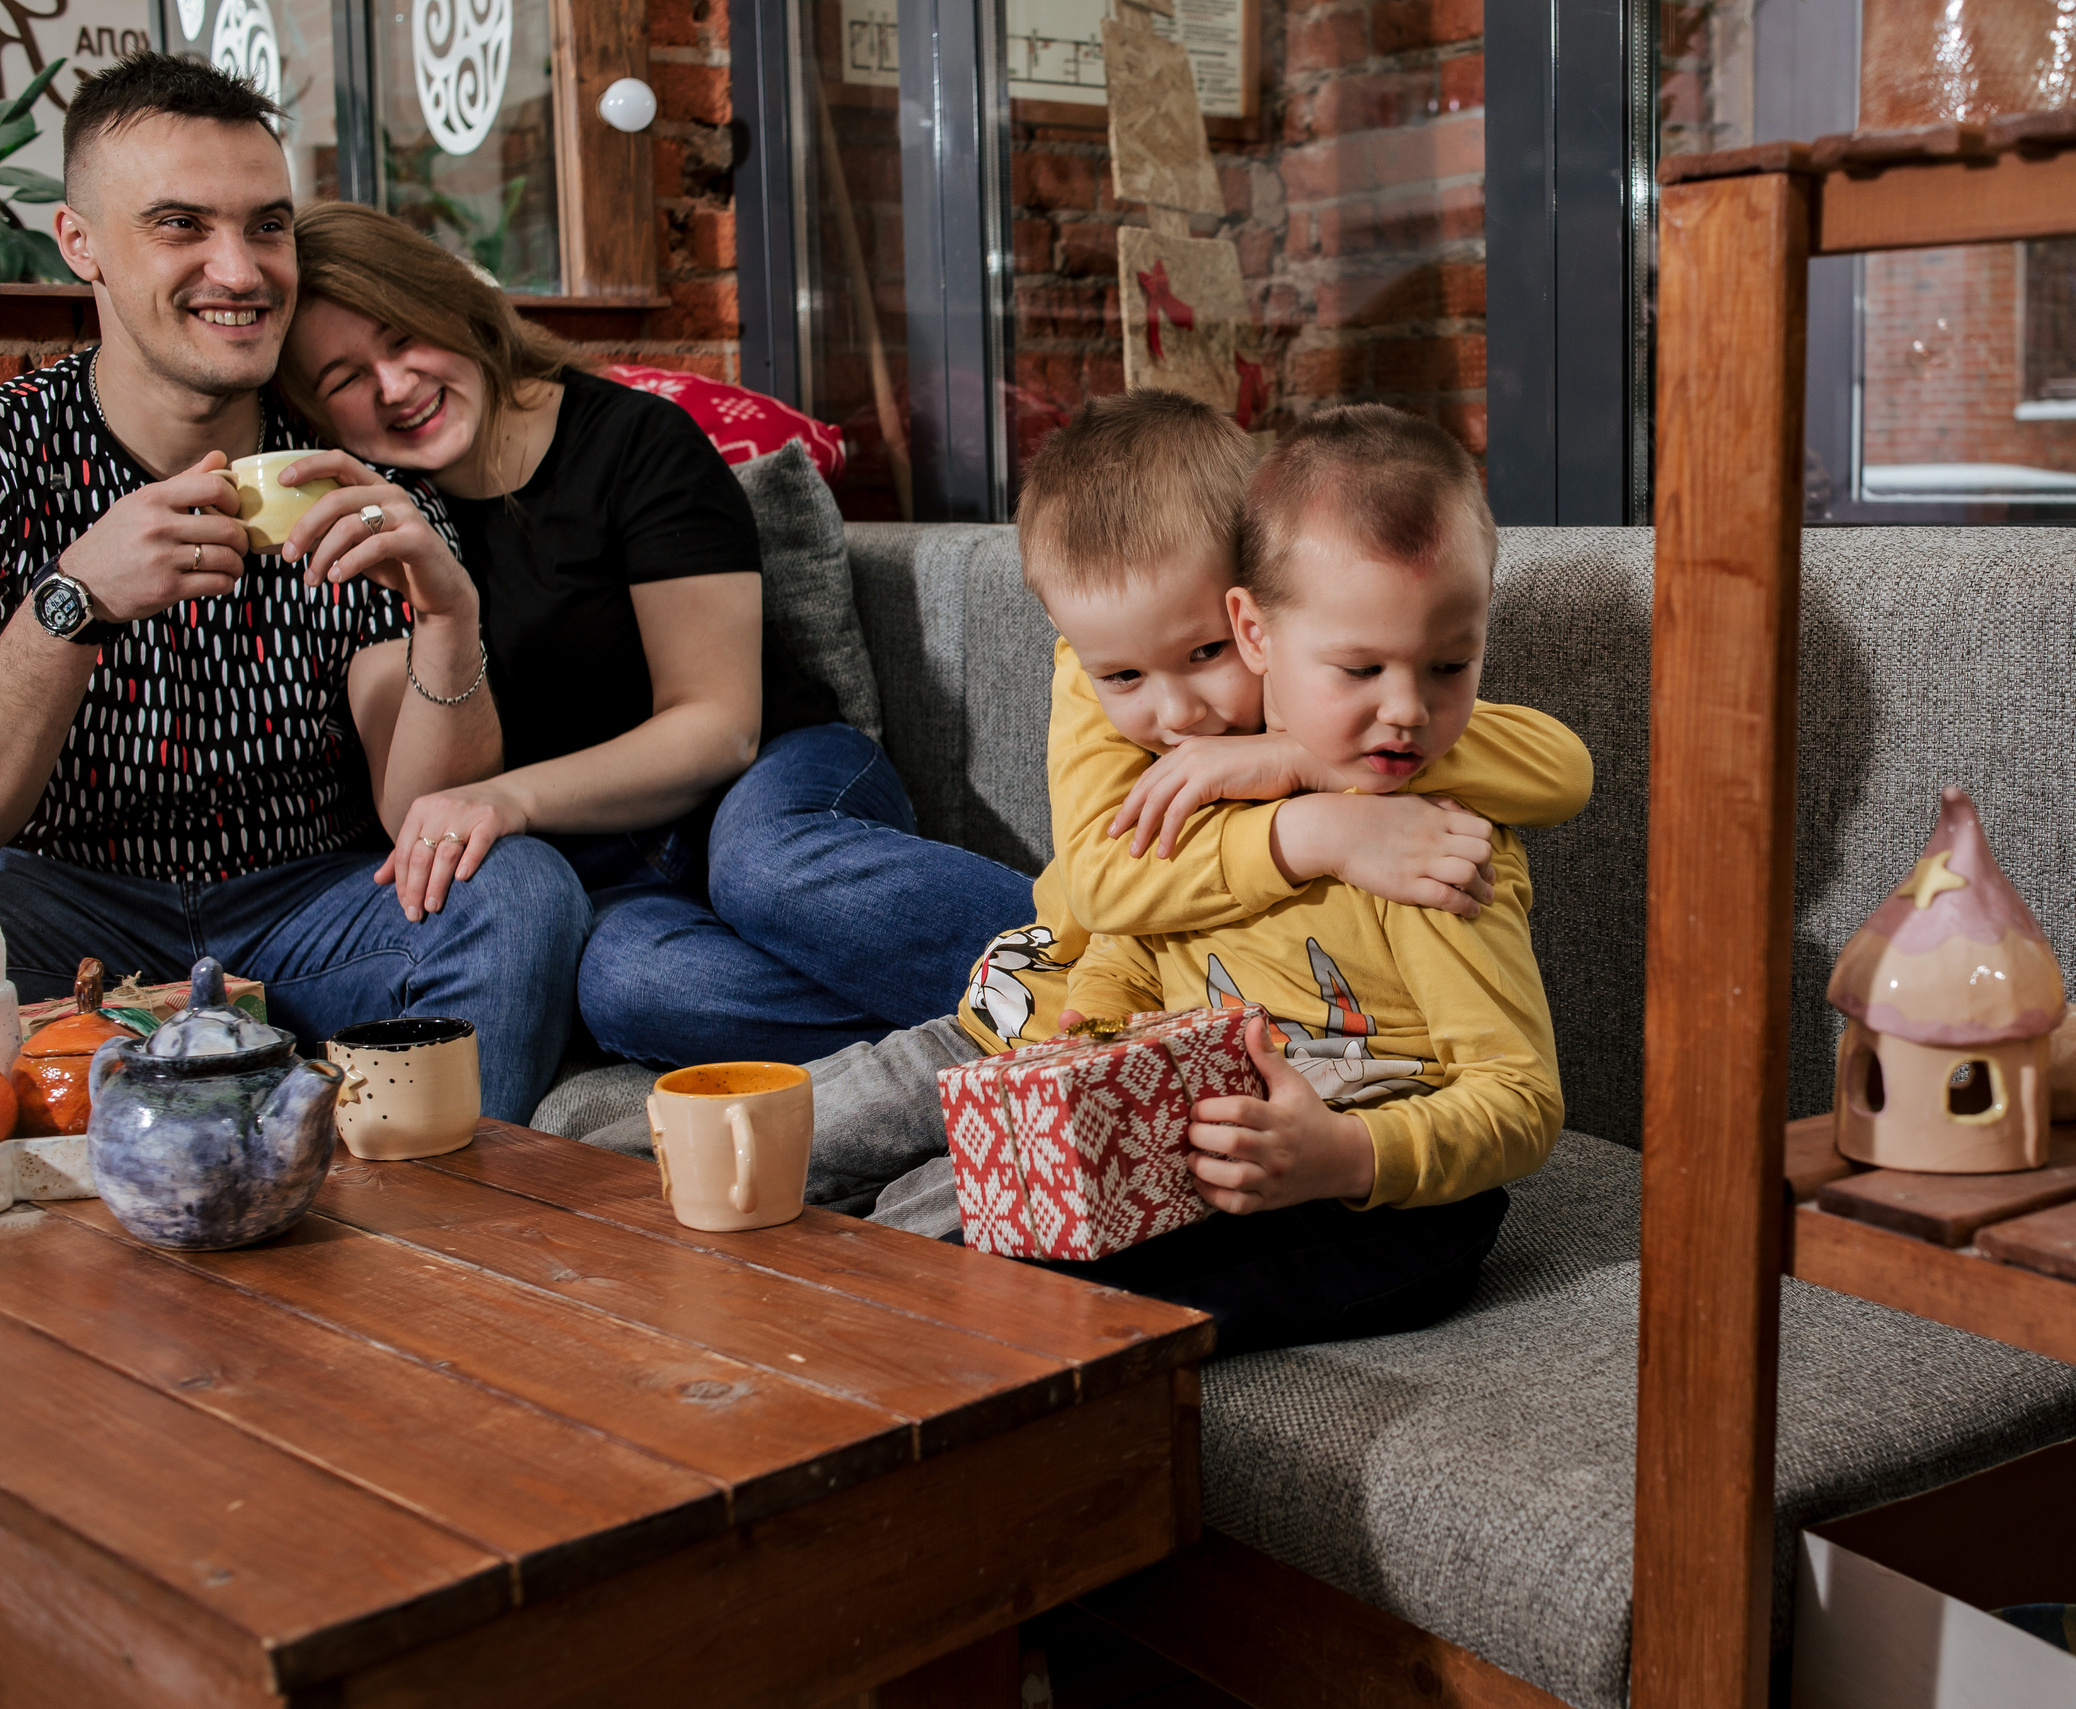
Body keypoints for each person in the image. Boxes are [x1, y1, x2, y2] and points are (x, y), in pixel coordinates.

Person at [596, 393, 1584, 1355]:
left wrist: (1308, 783)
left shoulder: (1422, 834)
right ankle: (575, 1233)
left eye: (1202, 654)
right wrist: (1103, 1020)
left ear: (1250, 624)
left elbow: (1515, 1084)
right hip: (1126, 1056)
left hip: (1363, 1167)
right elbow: (1126, 913)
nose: (1178, 714)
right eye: (1124, 676)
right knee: (794, 1144)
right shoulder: (1141, 721)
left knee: (930, 1231)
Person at [277, 204, 1035, 1070]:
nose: (394, 384)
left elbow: (717, 726)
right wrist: (440, 610)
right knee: (628, 987)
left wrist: (511, 798)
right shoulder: (371, 535)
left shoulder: (635, 443)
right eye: (344, 377)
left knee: (767, 870)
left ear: (457, 306)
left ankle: (1141, 962)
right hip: (615, 875)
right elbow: (420, 810)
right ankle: (1018, 1032)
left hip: (774, 778)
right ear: (314, 415)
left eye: (403, 335)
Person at [0, 53, 586, 1122]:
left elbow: (416, 811)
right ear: (77, 242)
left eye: (267, 226)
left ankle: (443, 1239)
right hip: (66, 916)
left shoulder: (350, 474)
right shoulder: (11, 456)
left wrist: (447, 618)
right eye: (182, 225)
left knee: (519, 888)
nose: (241, 270)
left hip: (304, 911)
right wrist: (71, 597)